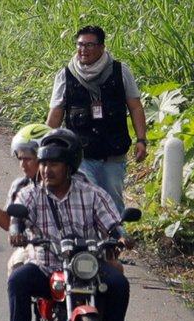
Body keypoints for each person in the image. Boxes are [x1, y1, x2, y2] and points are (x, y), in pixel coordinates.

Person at [0, 130, 131, 321]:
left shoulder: (91, 193)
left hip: (86, 267)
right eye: (43, 164)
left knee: (119, 285)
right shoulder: (29, 193)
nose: (46, 170)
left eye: (54, 164)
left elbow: (111, 222)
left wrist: (122, 237)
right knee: (18, 281)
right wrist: (17, 232)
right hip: (45, 265)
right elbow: (18, 217)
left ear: (70, 167)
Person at [50, 24, 152, 209]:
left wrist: (141, 140)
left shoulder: (121, 72)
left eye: (89, 45)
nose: (83, 50)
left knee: (112, 204)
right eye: (80, 44)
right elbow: (56, 114)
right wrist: (45, 146)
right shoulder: (65, 76)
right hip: (80, 154)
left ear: (102, 47)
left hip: (113, 154)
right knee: (87, 201)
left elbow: (136, 107)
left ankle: (116, 237)